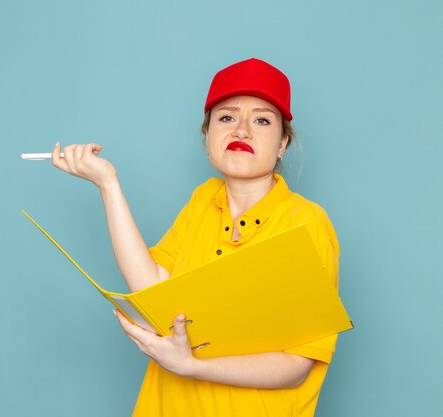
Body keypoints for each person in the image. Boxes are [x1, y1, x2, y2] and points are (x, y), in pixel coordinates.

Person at [51, 58, 340, 417]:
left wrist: (193, 366)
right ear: (207, 136)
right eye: (226, 117)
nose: (242, 131)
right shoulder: (204, 200)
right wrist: (107, 184)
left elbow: (298, 365)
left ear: (282, 144)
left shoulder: (306, 222)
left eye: (262, 120)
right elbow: (152, 287)